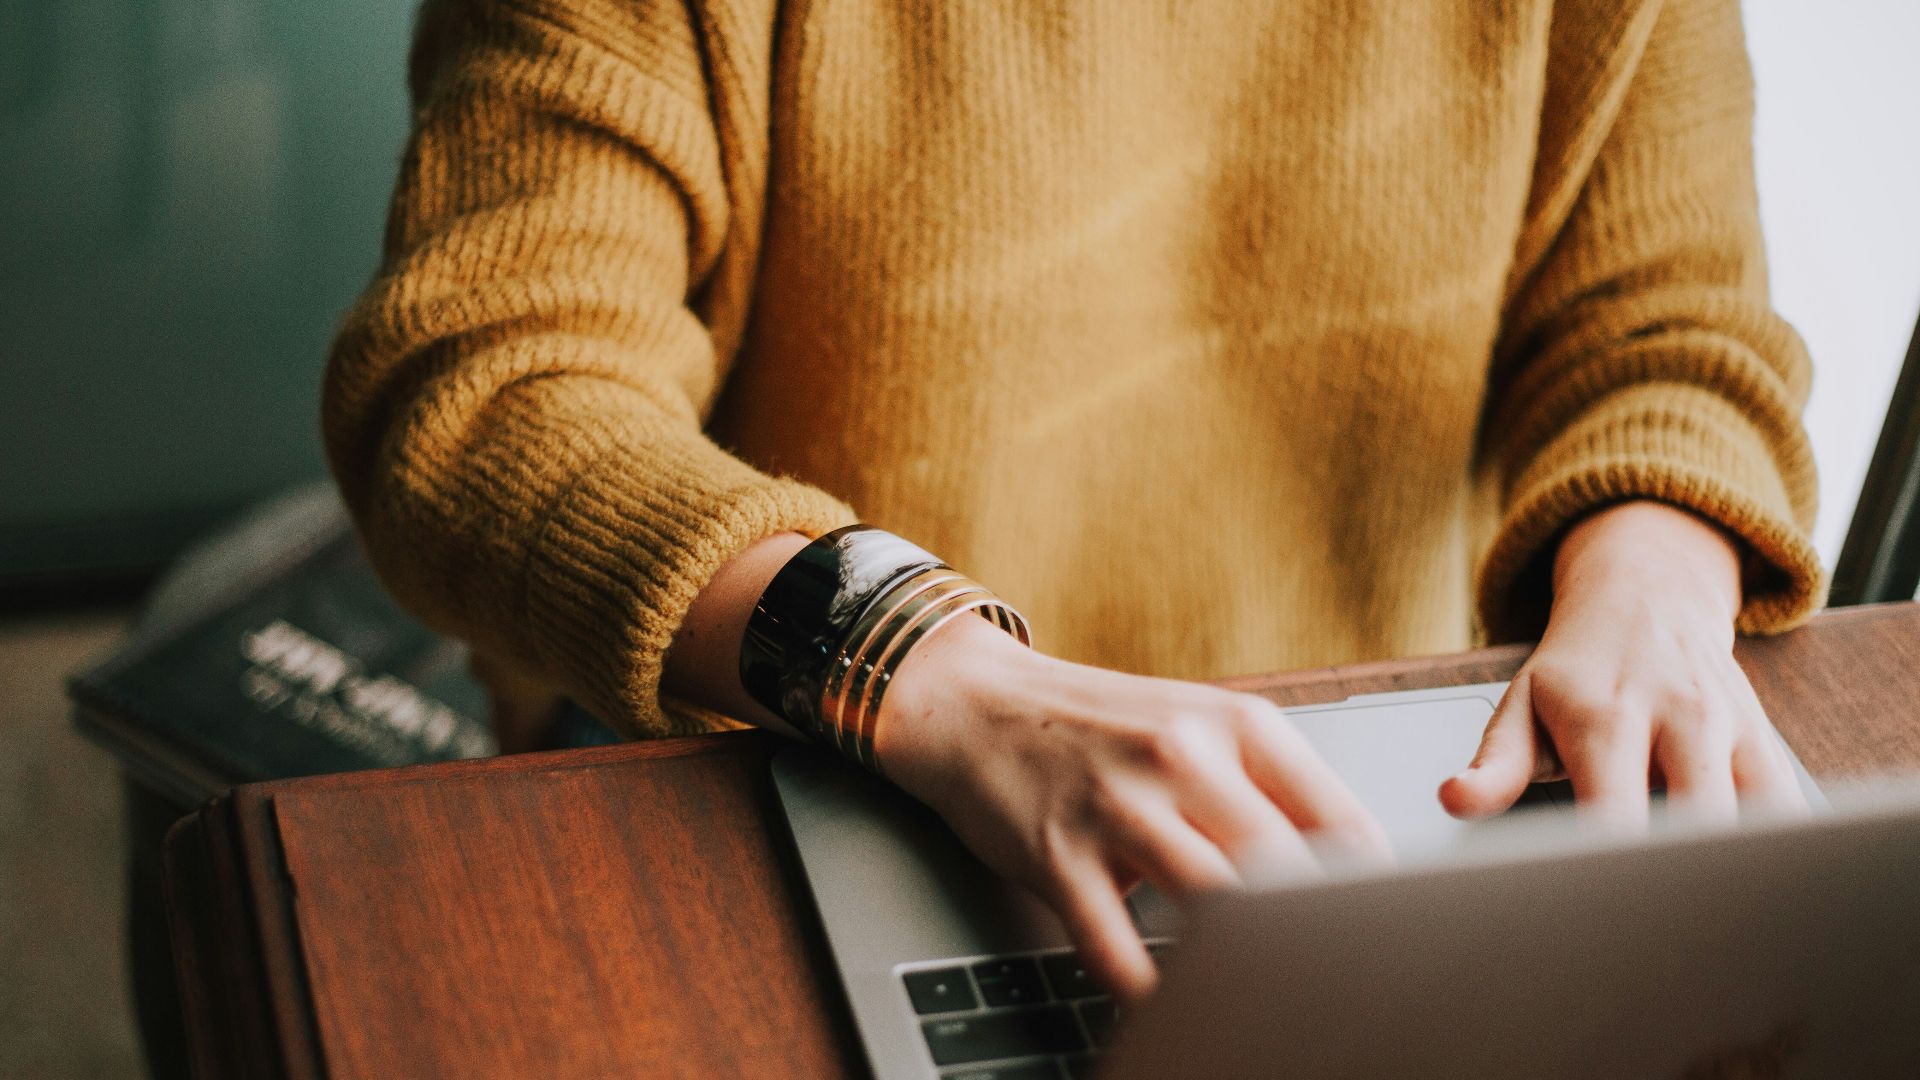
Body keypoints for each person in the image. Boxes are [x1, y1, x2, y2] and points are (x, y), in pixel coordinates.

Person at [324, 0, 1823, 1000]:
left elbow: (1669, 330)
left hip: (1352, 803)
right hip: (791, 763)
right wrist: (929, 669)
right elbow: (486, 385)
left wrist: (1657, 584)